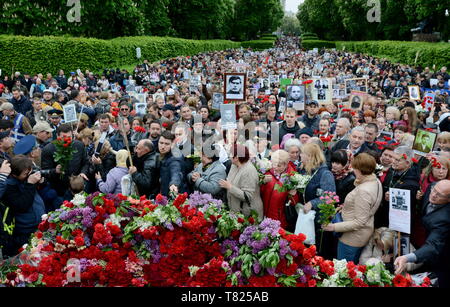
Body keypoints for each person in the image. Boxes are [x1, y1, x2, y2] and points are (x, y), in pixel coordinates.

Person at [323, 153, 383, 264]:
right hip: (361, 233)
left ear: (359, 170)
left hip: (352, 238)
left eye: (354, 168)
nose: (352, 170)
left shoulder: (364, 191)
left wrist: (333, 227)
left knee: (344, 271)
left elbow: (359, 221)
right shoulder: (375, 181)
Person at [394, 180, 450, 288]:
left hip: (443, 253)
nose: (433, 195)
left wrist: (406, 258)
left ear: (448, 199)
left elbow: (433, 246)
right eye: (434, 190)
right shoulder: (432, 187)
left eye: (439, 195)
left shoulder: (445, 218)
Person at [1, 155, 45, 257]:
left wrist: (40, 182)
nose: (29, 174)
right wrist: (30, 184)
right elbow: (22, 205)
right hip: (24, 230)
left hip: (39, 223)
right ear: (14, 174)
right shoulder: (9, 186)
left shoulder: (25, 179)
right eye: (25, 173)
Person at [301, 143, 336, 259]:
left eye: (303, 153)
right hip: (306, 218)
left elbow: (329, 197)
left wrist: (312, 203)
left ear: (310, 156)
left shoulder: (325, 173)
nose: (300, 155)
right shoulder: (306, 170)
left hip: (318, 221)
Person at [377, 146, 420, 228]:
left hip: (395, 224)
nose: (393, 162)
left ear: (407, 163)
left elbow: (404, 211)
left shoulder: (411, 184)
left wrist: (393, 199)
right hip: (382, 217)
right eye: (394, 158)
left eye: (397, 160)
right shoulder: (392, 171)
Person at [41, 124, 89, 197]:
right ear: (57, 136)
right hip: (59, 191)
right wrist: (55, 171)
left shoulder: (79, 145)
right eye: (64, 137)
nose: (67, 139)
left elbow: (86, 163)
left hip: (78, 188)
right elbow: (45, 172)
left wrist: (83, 173)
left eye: (69, 137)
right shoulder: (48, 150)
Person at [219, 144, 263, 220]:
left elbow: (248, 196)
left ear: (236, 158)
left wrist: (230, 187)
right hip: (236, 213)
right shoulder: (234, 165)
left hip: (249, 215)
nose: (229, 156)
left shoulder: (249, 171)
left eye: (231, 154)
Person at [260, 150, 299, 232]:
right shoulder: (267, 173)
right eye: (273, 164)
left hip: (280, 219)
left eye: (279, 165)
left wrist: (293, 194)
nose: (275, 167)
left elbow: (295, 203)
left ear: (286, 164)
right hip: (264, 216)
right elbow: (259, 193)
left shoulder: (292, 177)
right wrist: (262, 182)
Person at [158, 131, 185, 197]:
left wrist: (174, 184)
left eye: (167, 144)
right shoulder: (160, 153)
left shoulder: (175, 158)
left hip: (172, 196)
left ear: (172, 144)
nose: (163, 146)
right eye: (161, 143)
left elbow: (176, 171)